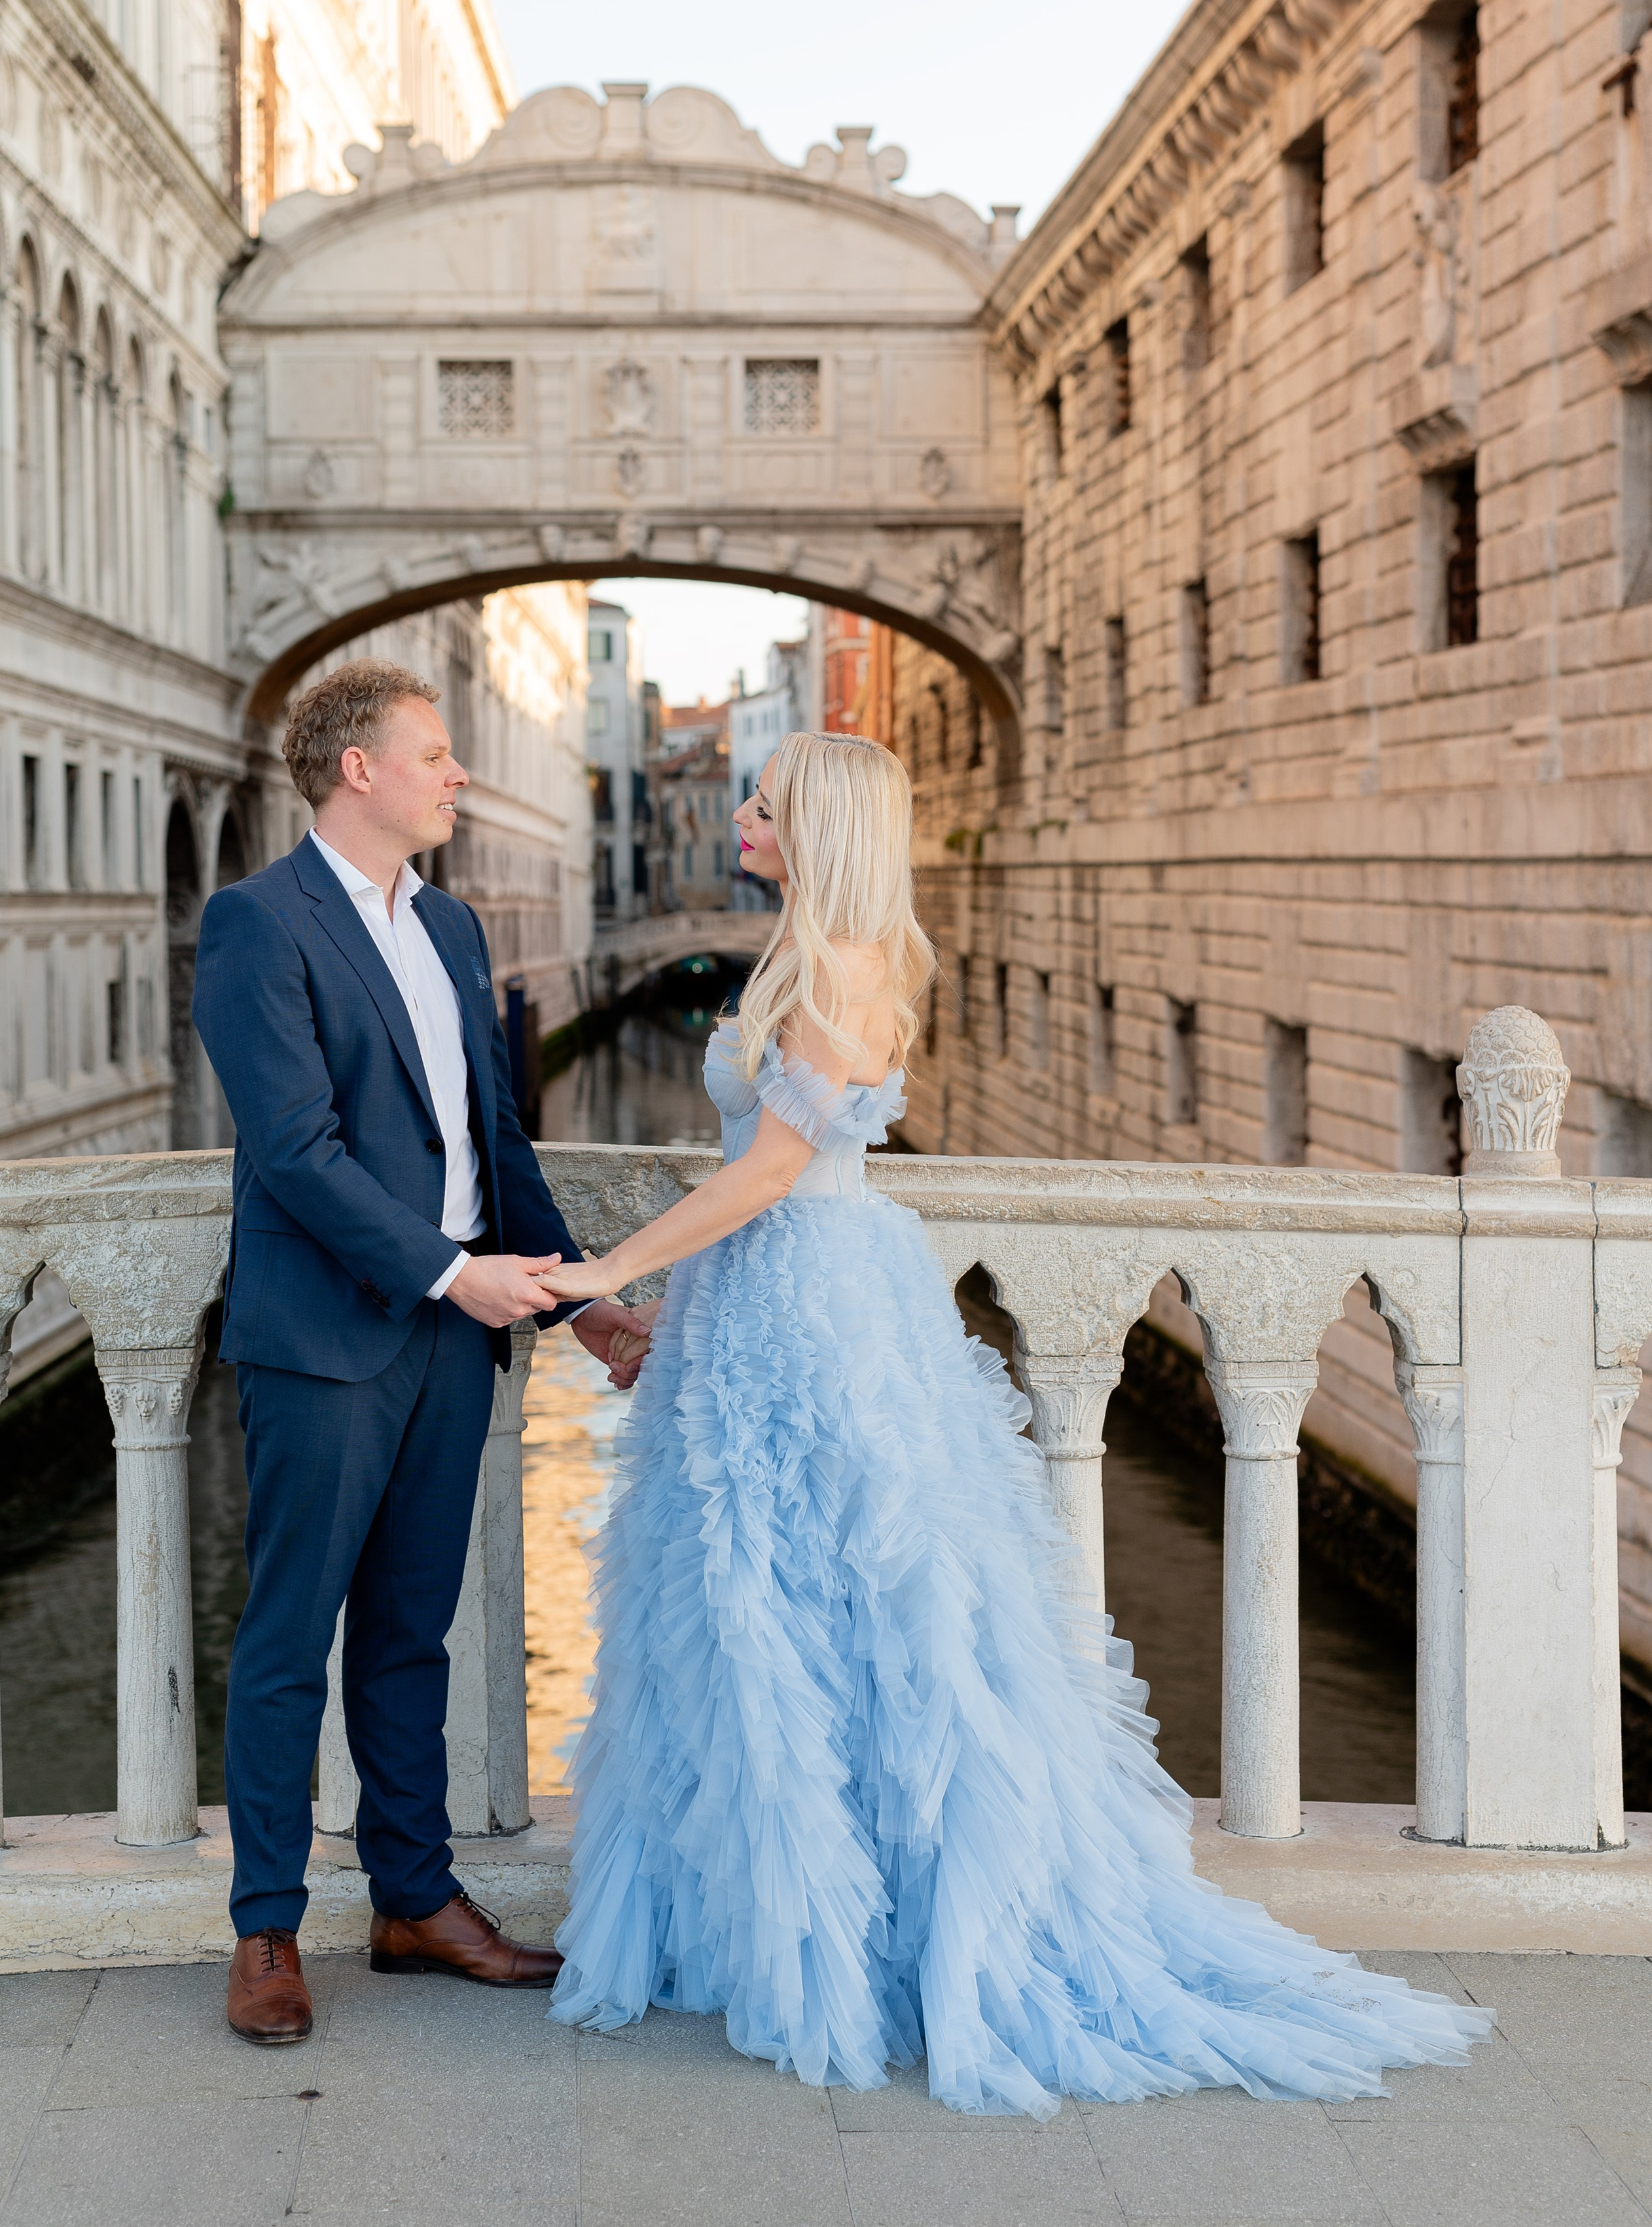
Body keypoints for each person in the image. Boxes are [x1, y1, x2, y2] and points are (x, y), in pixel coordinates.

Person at [535, 731, 1493, 2116]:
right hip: (772, 1303)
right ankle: (778, 1921)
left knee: (862, 1609)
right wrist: (670, 1314)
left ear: (820, 823)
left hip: (811, 1304)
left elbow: (768, 1174)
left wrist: (611, 1271)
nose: (742, 814)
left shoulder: (837, 966)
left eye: (765, 799)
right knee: (761, 1607)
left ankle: (864, 1946)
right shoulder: (806, 953)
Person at [192, 659, 647, 2046]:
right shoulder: (254, 924)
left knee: (409, 1637)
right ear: (357, 770)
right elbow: (296, 1151)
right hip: (328, 1338)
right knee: (287, 1641)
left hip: (454, 1350)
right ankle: (266, 1928)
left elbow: (491, 1142)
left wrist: (576, 1299)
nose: (457, 773)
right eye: (435, 753)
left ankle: (412, 1899)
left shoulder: (448, 926)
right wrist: (457, 1275)